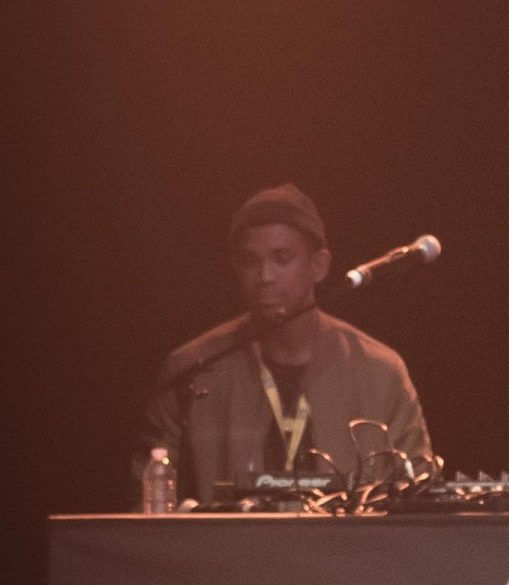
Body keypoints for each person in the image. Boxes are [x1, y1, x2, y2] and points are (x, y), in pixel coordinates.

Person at [132, 184, 431, 503]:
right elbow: (147, 504)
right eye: (250, 261)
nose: (265, 276)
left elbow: (421, 496)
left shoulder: (381, 371)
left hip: (344, 538)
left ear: (319, 266)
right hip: (229, 539)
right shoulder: (191, 370)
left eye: (281, 259)